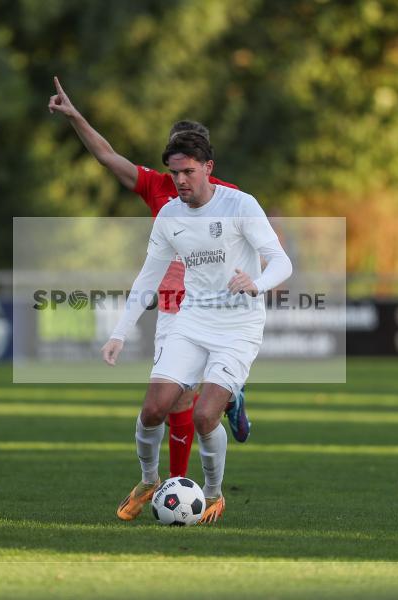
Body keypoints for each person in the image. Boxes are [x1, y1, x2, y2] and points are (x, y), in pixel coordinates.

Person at [48, 77, 250, 485]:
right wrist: (75, 117)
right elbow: (107, 156)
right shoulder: (157, 185)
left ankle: (176, 484)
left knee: (186, 398)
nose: (178, 174)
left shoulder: (227, 196)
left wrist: (251, 279)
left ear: (203, 159)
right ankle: (174, 480)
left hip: (209, 307)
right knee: (168, 404)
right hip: (171, 306)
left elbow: (254, 244)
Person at [101, 133, 292, 524]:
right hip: (191, 320)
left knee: (205, 416)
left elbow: (281, 262)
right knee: (153, 409)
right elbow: (148, 277)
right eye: (175, 173)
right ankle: (149, 481)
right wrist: (119, 333)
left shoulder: (240, 205)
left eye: (188, 171)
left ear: (208, 168)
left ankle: (213, 493)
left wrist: (257, 284)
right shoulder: (169, 216)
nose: (181, 180)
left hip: (239, 326)